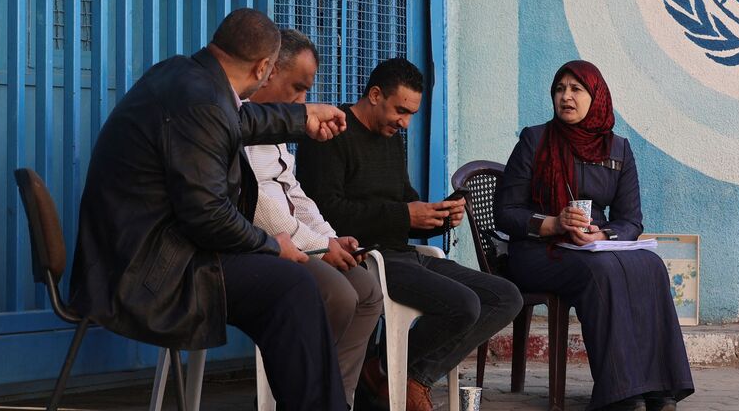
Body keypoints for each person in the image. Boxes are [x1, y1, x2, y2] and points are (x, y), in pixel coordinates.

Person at [69, 8, 350, 411]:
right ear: (263, 68)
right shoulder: (202, 102)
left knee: (292, 287)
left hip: (135, 251)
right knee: (293, 287)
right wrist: (273, 245)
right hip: (147, 270)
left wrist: (303, 116)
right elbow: (209, 217)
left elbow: (238, 118)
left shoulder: (184, 76)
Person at [297, 58, 524, 411]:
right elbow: (327, 213)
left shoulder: (391, 140)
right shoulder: (331, 135)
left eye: (411, 115)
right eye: (400, 111)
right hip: (366, 258)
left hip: (405, 254)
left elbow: (404, 200)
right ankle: (400, 376)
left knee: (506, 296)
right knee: (463, 304)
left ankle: (396, 374)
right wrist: (406, 214)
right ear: (375, 95)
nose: (404, 123)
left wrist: (437, 216)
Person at [495, 60, 695, 411]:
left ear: (597, 96)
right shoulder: (535, 140)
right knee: (601, 272)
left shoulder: (618, 150)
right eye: (559, 89)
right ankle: (621, 393)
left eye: (576, 89)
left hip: (594, 246)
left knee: (650, 264)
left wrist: (602, 233)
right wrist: (554, 224)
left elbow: (631, 220)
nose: (565, 97)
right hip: (539, 252)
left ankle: (660, 388)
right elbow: (506, 212)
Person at [246, 29, 384, 408]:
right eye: (298, 87)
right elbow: (256, 204)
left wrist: (330, 238)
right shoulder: (239, 121)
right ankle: (303, 398)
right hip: (259, 246)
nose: (303, 102)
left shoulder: (274, 129)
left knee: (368, 291)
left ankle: (338, 397)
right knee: (337, 293)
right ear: (267, 72)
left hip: (303, 241)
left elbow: (295, 193)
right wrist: (320, 248)